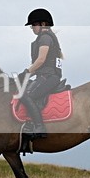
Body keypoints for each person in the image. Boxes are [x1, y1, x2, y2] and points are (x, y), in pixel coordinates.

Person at [19, 8, 63, 139]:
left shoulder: (44, 38)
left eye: (34, 25)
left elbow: (41, 60)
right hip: (46, 75)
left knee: (26, 96)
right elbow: (41, 65)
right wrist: (26, 76)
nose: (32, 28)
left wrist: (26, 72)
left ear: (43, 24)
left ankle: (39, 127)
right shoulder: (48, 37)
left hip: (48, 76)